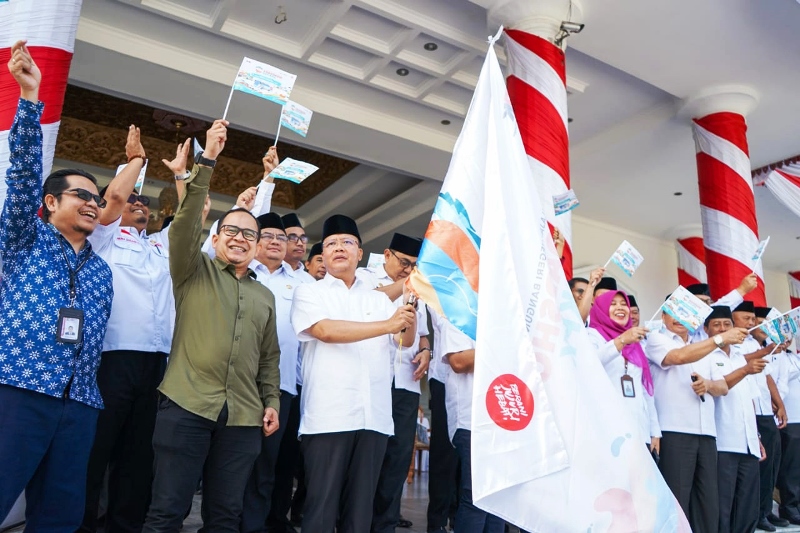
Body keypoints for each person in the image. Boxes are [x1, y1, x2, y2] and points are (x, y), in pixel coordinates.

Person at [142, 120, 282, 533]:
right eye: (231, 231)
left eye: (249, 234)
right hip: (186, 406)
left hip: (242, 419)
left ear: (257, 246)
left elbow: (269, 358)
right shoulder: (192, 269)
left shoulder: (264, 296)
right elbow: (185, 223)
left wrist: (270, 399)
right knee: (167, 512)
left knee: (225, 518)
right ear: (217, 238)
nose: (240, 238)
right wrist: (207, 161)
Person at [0, 41, 114, 531]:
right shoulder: (23, 238)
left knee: (60, 517)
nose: (93, 203)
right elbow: (23, 175)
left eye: (98, 198)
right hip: (20, 389)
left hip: (80, 403)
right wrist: (30, 96)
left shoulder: (102, 271)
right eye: (81, 195)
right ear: (49, 203)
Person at [80, 130, 190, 533]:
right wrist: (135, 163)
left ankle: (124, 526)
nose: (138, 204)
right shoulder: (104, 239)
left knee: (139, 457)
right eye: (133, 200)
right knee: (96, 451)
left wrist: (183, 176)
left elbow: (191, 219)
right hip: (113, 360)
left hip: (158, 366)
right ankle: (82, 525)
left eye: (144, 202)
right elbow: (111, 202)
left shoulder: (161, 246)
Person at [290, 215, 417, 533]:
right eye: (331, 243)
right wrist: (388, 324)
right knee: (320, 512)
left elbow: (406, 340)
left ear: (360, 253)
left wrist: (409, 310)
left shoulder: (376, 297)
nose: (338, 248)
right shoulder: (311, 292)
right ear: (323, 254)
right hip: (329, 418)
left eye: (347, 242)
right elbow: (325, 330)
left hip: (373, 417)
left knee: (360, 516)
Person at [645, 300, 746, 533]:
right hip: (675, 430)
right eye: (673, 312)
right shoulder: (656, 339)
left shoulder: (705, 347)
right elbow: (678, 357)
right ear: (663, 316)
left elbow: (722, 386)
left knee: (707, 501)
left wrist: (707, 384)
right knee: (678, 498)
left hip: (707, 434)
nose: (679, 318)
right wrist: (719, 339)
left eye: (685, 312)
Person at [360, 233, 431, 533]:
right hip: (373, 380)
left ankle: (385, 523)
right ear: (387, 255)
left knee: (398, 457)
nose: (408, 269)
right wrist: (406, 284)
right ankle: (356, 520)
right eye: (405, 263)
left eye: (415, 265)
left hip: (405, 383)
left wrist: (426, 350)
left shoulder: (420, 288)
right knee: (368, 457)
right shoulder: (364, 277)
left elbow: (423, 332)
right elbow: (372, 300)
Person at [706, 306, 767, 533]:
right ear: (706, 330)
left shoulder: (741, 357)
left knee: (748, 505)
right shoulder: (706, 358)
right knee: (723, 505)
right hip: (723, 442)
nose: (723, 329)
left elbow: (749, 402)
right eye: (716, 325)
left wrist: (757, 438)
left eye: (727, 324)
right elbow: (718, 389)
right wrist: (745, 371)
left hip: (748, 442)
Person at [441, 318, 504, 533]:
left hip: (502, 417)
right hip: (471, 419)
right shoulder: (458, 314)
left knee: (497, 499)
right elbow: (458, 361)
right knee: (476, 496)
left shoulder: (505, 316)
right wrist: (506, 345)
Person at [731, 301, 788, 531]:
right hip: (749, 413)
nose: (751, 322)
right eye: (746, 318)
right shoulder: (736, 344)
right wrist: (767, 350)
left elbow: (767, 377)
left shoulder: (755, 343)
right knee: (755, 469)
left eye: (752, 319)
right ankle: (755, 515)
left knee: (771, 464)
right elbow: (744, 362)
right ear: (734, 319)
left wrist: (779, 404)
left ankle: (766, 510)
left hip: (766, 411)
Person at [586, 291, 660, 451]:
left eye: (623, 303)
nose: (620, 308)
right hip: (608, 428)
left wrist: (654, 431)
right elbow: (590, 364)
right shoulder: (592, 335)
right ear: (600, 309)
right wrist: (621, 340)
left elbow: (645, 390)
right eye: (613, 304)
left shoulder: (635, 342)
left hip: (640, 427)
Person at [426, 308, 460, 533]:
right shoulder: (441, 285)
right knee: (444, 453)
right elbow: (445, 322)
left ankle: (460, 516)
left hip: (477, 378)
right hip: (445, 377)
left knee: (467, 454)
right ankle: (437, 520)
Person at [774, 324, 800, 525]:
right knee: (790, 466)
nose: (786, 340)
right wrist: (777, 351)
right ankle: (788, 506)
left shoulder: (793, 356)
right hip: (790, 418)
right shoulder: (776, 357)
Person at [281, 213, 314, 281]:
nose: (300, 243)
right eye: (293, 237)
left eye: (303, 238)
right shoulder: (270, 272)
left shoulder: (310, 281)